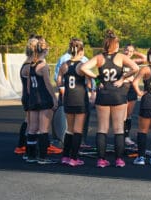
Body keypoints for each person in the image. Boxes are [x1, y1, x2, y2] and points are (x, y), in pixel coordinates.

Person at [80, 30, 139, 168]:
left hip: (104, 94)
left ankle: (101, 160)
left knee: (102, 128)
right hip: (118, 94)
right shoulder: (120, 57)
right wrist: (123, 78)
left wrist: (97, 78)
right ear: (115, 45)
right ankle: (119, 160)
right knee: (118, 128)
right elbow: (135, 67)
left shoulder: (99, 57)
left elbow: (83, 67)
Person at [57, 38, 89, 166]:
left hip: (68, 99)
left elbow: (59, 81)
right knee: (78, 130)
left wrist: (63, 88)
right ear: (81, 50)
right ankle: (74, 158)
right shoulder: (82, 65)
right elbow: (90, 79)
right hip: (80, 99)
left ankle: (65, 156)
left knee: (69, 129)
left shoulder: (64, 65)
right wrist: (96, 84)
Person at [26, 36, 58, 164]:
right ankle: (43, 157)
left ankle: (31, 155)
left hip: (33, 99)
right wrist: (54, 99)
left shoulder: (31, 65)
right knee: (44, 129)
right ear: (45, 51)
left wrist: (31, 97)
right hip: (44, 99)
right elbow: (48, 85)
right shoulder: (43, 66)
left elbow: (28, 86)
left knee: (32, 128)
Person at [123, 44, 147, 145]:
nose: (128, 53)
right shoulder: (119, 60)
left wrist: (134, 52)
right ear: (123, 50)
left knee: (129, 114)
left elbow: (144, 58)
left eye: (131, 51)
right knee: (122, 114)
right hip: (122, 87)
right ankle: (121, 136)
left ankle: (127, 136)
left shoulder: (133, 61)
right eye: (127, 50)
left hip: (131, 88)